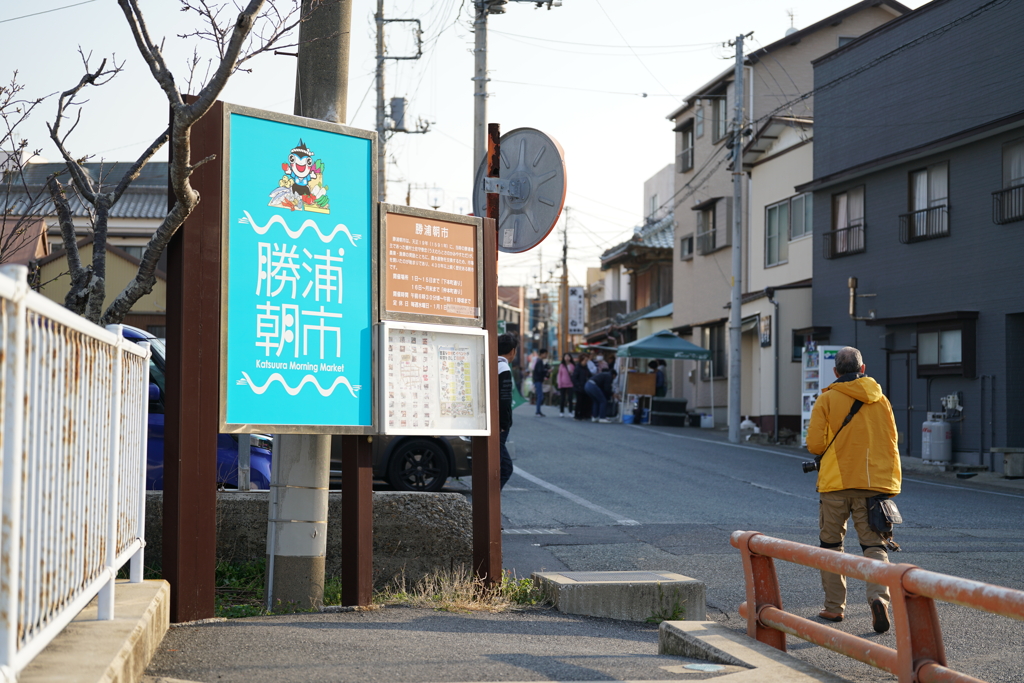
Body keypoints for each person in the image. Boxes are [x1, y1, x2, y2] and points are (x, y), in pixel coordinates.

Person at [806, 346, 901, 634]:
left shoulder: (826, 399)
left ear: (835, 372)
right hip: (872, 483)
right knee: (874, 545)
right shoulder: (881, 400)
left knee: (832, 545)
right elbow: (892, 440)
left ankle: (834, 608)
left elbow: (815, 446)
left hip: (836, 482)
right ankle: (878, 599)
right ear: (863, 369)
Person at [497, 334, 518, 489]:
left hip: (491, 422)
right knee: (505, 468)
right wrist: (505, 423)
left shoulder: (492, 363)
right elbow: (504, 398)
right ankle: (490, 506)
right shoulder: (504, 368)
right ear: (512, 351)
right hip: (499, 426)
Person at [572, 351, 593, 421]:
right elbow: (574, 378)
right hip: (579, 388)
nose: (586, 362)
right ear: (581, 360)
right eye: (585, 360)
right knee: (579, 401)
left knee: (585, 401)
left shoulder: (586, 367)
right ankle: (577, 415)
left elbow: (590, 375)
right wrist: (579, 385)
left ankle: (583, 415)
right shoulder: (578, 367)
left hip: (585, 387)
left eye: (587, 360)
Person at [557, 352, 576, 418]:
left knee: (570, 398)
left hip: (570, 384)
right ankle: (561, 412)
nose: (567, 358)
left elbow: (575, 375)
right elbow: (559, 375)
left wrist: (572, 372)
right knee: (562, 399)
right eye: (566, 357)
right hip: (563, 384)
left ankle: (570, 412)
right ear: (564, 358)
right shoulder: (562, 365)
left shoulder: (573, 365)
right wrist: (559, 384)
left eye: (568, 356)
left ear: (570, 358)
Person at [532, 348, 549, 416]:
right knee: (540, 396)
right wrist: (546, 371)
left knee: (540, 396)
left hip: (537, 380)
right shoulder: (539, 361)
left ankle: (538, 411)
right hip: (538, 380)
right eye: (545, 354)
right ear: (542, 354)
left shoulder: (538, 361)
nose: (546, 355)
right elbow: (540, 371)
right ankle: (538, 411)